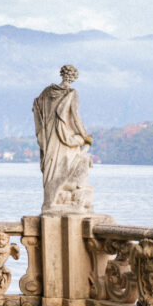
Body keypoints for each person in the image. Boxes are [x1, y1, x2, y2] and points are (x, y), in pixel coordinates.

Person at [32, 64, 95, 214]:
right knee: (63, 167)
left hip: (49, 138)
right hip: (63, 137)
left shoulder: (46, 92)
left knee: (52, 169)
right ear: (73, 78)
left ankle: (51, 202)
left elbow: (36, 108)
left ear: (62, 75)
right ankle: (50, 204)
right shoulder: (72, 93)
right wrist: (85, 136)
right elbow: (76, 117)